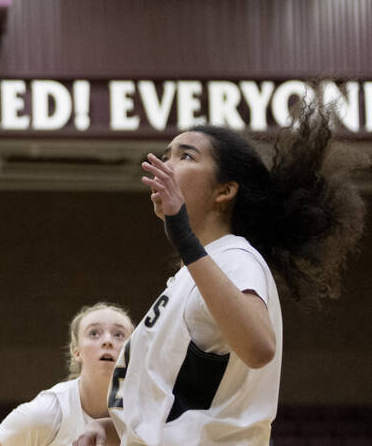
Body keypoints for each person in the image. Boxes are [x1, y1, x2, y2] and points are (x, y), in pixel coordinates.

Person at [75, 102, 366, 446]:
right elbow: (175, 407)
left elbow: (259, 347)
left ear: (224, 191)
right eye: (167, 154)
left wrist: (184, 237)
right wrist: (110, 428)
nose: (166, 164)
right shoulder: (191, 277)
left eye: (186, 157)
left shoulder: (236, 258)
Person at [0, 303, 133, 446]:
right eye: (94, 333)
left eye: (119, 335)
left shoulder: (149, 411)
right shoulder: (45, 413)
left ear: (133, 353)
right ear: (77, 352)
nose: (107, 341)